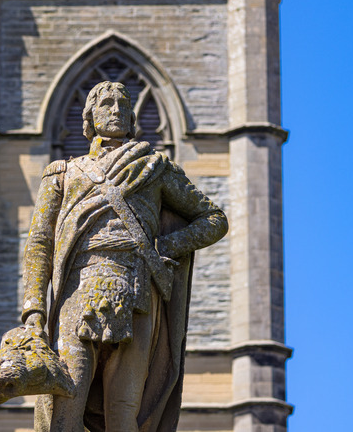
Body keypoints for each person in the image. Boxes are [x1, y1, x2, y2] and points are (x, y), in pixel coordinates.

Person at [21, 81, 228, 432]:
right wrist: (34, 312)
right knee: (65, 408)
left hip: (137, 297)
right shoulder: (62, 174)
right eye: (106, 104)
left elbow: (214, 219)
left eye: (123, 104)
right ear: (90, 117)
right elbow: (40, 243)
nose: (116, 110)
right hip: (76, 296)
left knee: (123, 414)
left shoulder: (155, 168)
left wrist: (166, 246)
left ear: (133, 116)